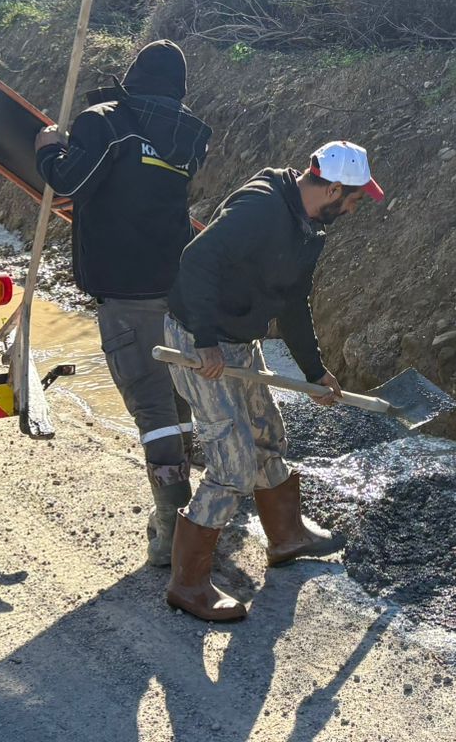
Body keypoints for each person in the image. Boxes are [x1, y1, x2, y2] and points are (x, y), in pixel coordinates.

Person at [160, 140, 384, 621]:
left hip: (238, 340)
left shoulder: (308, 229)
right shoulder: (260, 208)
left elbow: (293, 302)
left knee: (268, 434)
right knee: (234, 462)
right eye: (354, 199)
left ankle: (286, 537)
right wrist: (203, 341)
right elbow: (198, 260)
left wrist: (313, 369)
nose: (354, 208)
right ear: (335, 189)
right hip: (198, 344)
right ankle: (188, 583)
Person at [33, 39, 212, 566]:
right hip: (177, 288)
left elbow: (71, 182)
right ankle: (199, 512)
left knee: (151, 406)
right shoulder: (190, 136)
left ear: (133, 76)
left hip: (126, 292)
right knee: (178, 401)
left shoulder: (105, 120)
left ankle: (171, 532)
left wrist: (47, 146)